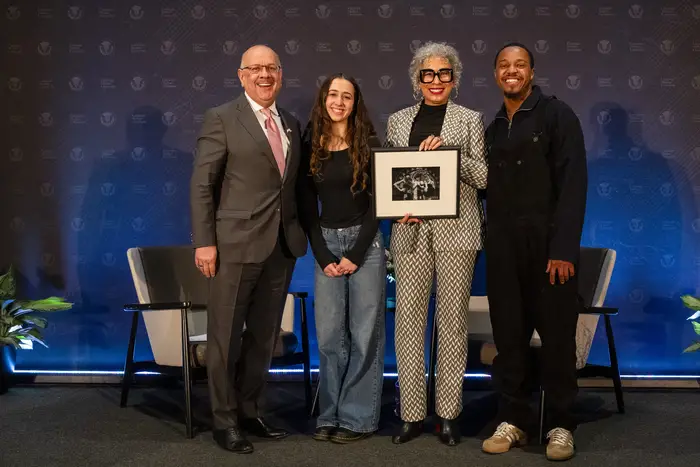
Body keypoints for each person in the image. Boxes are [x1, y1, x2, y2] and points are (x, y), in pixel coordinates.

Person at [189, 44, 307, 454]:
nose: (264, 75)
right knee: (225, 339)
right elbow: (203, 185)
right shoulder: (221, 118)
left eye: (271, 68)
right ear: (241, 76)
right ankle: (224, 421)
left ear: (281, 74)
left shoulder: (290, 122)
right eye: (255, 68)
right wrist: (205, 242)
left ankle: (251, 411)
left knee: (264, 336)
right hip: (233, 246)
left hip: (281, 247)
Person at [481, 42, 587, 462]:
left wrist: (563, 249)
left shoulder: (558, 115)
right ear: (495, 74)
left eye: (519, 65)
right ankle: (515, 420)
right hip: (504, 251)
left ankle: (561, 425)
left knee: (558, 340)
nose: (512, 71)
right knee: (509, 341)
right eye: (504, 66)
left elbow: (573, 185)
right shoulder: (491, 128)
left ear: (531, 71)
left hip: (550, 252)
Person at [384, 41, 487, 446]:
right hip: (409, 231)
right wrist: (396, 209)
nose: (436, 81)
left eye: (444, 74)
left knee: (452, 323)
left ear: (454, 79)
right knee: (407, 323)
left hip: (457, 232)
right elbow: (392, 178)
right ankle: (411, 415)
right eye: (428, 74)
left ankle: (448, 415)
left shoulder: (469, 120)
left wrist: (452, 154)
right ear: (417, 80)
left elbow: (485, 177)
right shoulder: (397, 121)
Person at [298, 73, 386, 444]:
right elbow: (305, 204)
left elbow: (379, 204)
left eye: (346, 96)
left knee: (365, 334)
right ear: (323, 100)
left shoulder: (369, 143)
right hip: (326, 244)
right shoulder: (310, 144)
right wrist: (323, 253)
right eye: (333, 95)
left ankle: (357, 419)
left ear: (355, 103)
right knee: (331, 336)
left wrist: (355, 253)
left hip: (365, 246)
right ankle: (330, 414)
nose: (339, 101)